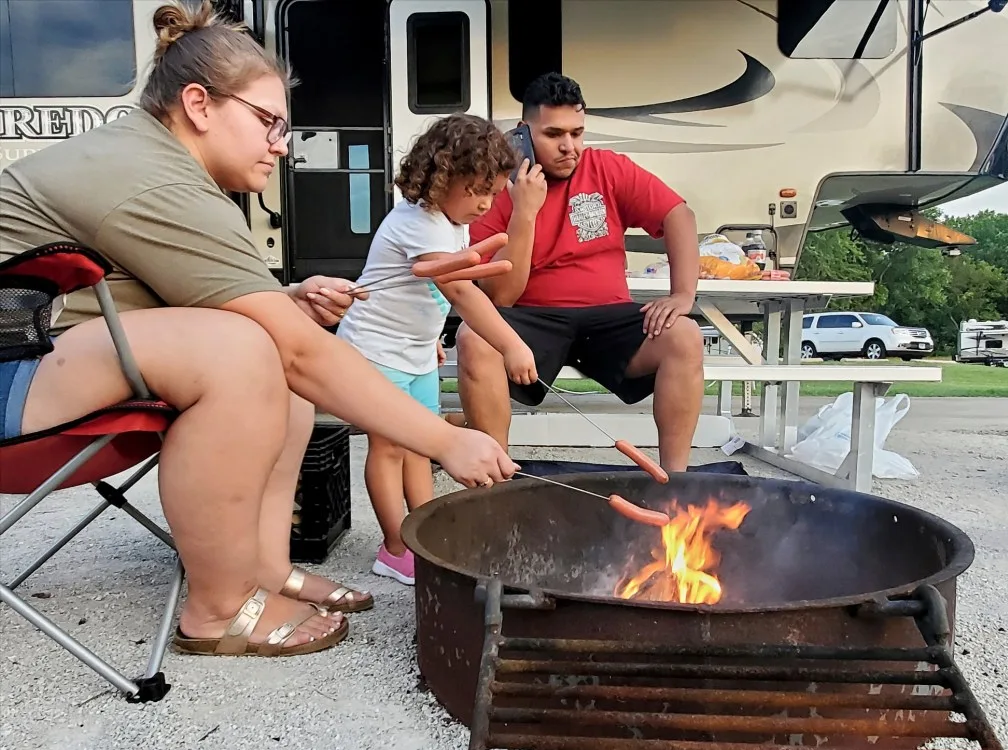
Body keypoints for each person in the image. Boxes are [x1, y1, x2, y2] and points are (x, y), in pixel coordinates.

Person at [0, 1, 517, 659]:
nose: (282, 143)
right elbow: (300, 352)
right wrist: (447, 439)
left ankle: (264, 568)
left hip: (36, 360)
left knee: (268, 341)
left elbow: (226, 312)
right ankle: (217, 609)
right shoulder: (149, 178)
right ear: (200, 104)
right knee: (248, 349)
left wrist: (287, 296)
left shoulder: (158, 165)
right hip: (12, 375)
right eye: (268, 122)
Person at [456, 72, 706, 472]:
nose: (568, 147)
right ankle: (495, 481)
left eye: (577, 133)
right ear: (522, 133)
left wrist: (683, 295)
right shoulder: (498, 187)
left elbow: (679, 214)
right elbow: (501, 297)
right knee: (474, 336)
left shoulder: (608, 168)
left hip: (609, 316)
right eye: (553, 134)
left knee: (686, 335)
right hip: (532, 318)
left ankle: (674, 483)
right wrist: (525, 211)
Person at [337, 114, 538, 586]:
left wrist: (430, 343)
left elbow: (420, 296)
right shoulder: (419, 222)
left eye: (494, 192)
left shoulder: (452, 223)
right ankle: (392, 547)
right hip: (375, 350)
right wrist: (511, 344)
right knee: (388, 447)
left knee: (422, 445)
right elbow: (461, 293)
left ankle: (423, 532)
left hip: (415, 352)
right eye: (476, 190)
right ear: (441, 176)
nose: (486, 203)